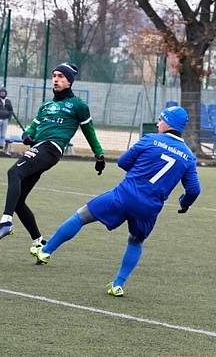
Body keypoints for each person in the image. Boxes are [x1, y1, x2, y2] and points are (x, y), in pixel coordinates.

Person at [33, 106, 199, 296]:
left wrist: (139, 171)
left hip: (123, 196)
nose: (157, 122)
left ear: (169, 123)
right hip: (149, 208)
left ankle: (46, 251)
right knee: (136, 242)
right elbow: (194, 190)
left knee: (82, 215)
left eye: (161, 119)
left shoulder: (150, 139)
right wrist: (185, 203)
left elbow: (123, 162)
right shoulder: (188, 157)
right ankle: (118, 284)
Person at [0, 63, 106, 256]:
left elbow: (89, 132)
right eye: (54, 76)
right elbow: (31, 130)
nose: (56, 79)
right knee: (18, 201)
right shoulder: (46, 106)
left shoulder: (78, 106)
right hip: (39, 148)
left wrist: (99, 155)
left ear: (69, 81)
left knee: (13, 172)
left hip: (51, 148)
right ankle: (38, 241)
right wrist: (26, 136)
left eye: (61, 76)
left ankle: (6, 221)